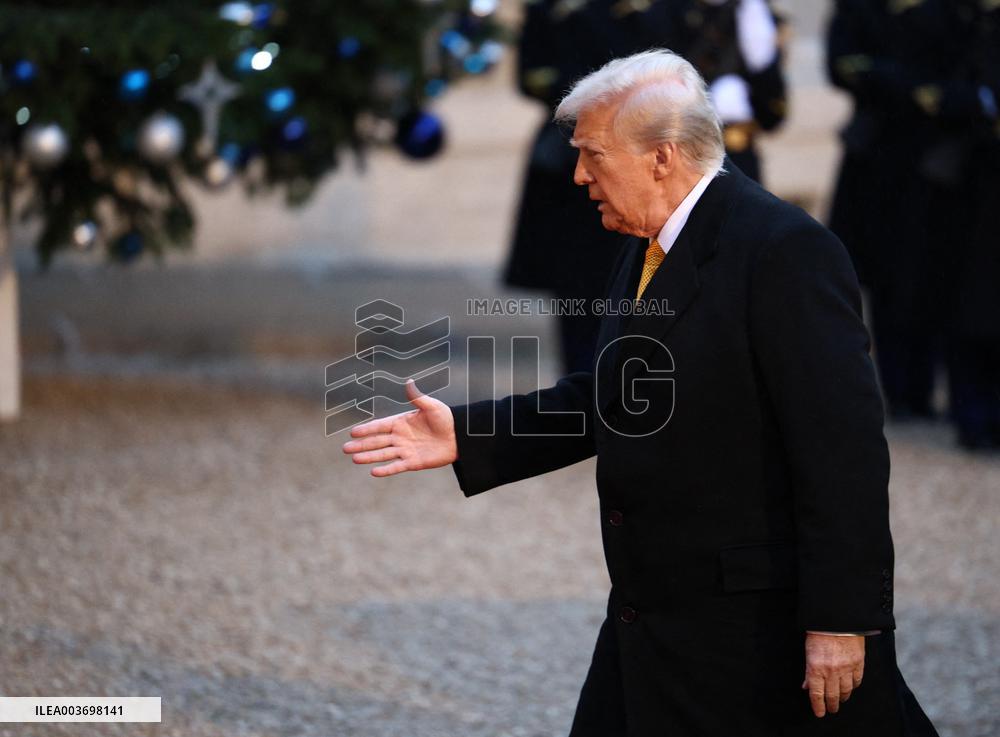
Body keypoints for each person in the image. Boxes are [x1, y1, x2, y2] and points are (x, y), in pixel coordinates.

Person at [344, 50, 938, 736]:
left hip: (753, 630)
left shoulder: (785, 251)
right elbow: (620, 393)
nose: (577, 175)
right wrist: (470, 435)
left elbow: (846, 455)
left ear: (661, 157)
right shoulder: (647, 241)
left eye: (592, 155)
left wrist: (840, 619)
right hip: (653, 620)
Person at [506, 0, 788, 373]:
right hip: (582, 159)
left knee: (669, 290)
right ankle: (588, 391)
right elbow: (538, 74)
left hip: (657, 171)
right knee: (584, 294)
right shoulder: (565, 11)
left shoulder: (685, 12)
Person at [826, 0, 1000, 447]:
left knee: (935, 277)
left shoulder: (949, 15)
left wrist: (895, 78)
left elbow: (953, 80)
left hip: (940, 161)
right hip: (882, 161)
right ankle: (900, 390)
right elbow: (844, 64)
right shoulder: (862, 10)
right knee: (880, 280)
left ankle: (928, 390)